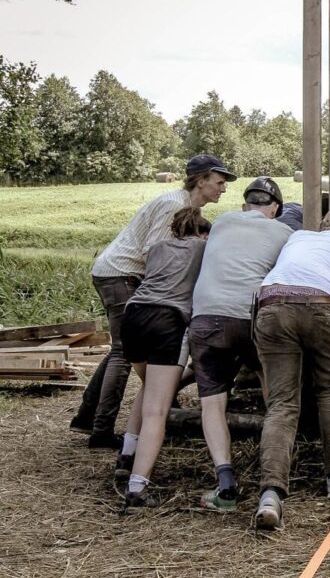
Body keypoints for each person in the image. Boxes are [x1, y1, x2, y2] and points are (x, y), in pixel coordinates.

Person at [72, 154, 235, 448]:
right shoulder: (175, 205)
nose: (224, 189)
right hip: (122, 274)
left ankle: (86, 419)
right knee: (124, 352)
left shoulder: (184, 205)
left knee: (119, 350)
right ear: (201, 181)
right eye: (220, 182)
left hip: (117, 272)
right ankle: (101, 432)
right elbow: (153, 254)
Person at [252, 208, 330, 531]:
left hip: (272, 303)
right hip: (320, 307)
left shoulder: (299, 236)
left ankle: (271, 493)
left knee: (282, 402)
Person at [186, 177, 292, 511]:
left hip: (205, 316)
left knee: (212, 404)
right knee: (272, 390)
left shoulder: (223, 223)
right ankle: (274, 473)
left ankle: (226, 484)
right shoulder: (283, 233)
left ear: (245, 204)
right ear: (274, 207)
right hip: (248, 317)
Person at [119, 208, 211, 509]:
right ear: (202, 232)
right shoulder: (203, 247)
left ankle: (126, 455)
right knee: (157, 410)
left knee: (149, 388)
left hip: (133, 315)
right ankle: (137, 487)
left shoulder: (158, 247)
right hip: (167, 318)